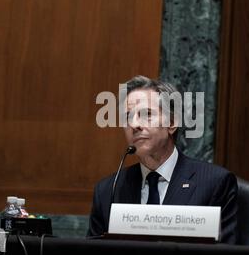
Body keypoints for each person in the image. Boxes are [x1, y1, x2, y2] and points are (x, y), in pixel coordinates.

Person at [87, 75, 238, 244]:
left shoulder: (214, 183)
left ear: (171, 123)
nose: (134, 124)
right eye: (128, 117)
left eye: (146, 114)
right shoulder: (108, 190)